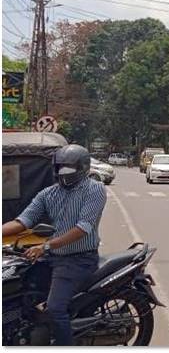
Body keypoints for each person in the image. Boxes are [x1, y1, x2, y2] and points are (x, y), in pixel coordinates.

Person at [1, 144, 107, 346]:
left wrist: (46, 246)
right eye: (60, 168)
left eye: (69, 168)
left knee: (55, 309)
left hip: (79, 260)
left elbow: (83, 228)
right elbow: (22, 221)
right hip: (52, 257)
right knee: (22, 291)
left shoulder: (94, 190)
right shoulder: (48, 194)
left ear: (83, 168)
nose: (63, 173)